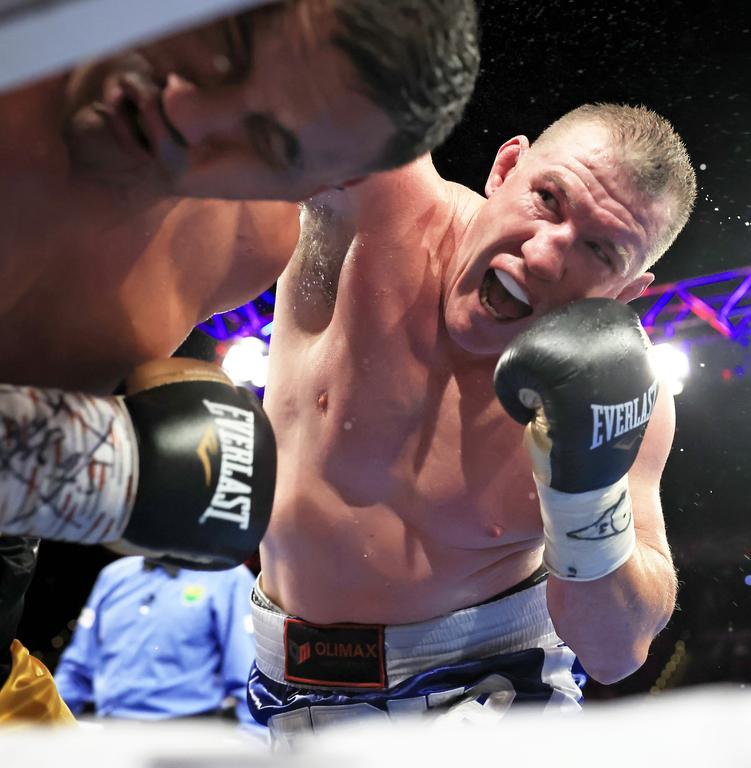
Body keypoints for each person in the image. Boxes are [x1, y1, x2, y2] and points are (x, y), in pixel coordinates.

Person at [0, 0, 480, 723]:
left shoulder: (245, 243)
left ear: (300, 187)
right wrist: (90, 465)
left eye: (266, 140)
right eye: (228, 43)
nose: (185, 109)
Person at [250, 102, 697, 739]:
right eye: (548, 199)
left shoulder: (628, 397)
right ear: (506, 166)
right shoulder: (381, 204)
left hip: (490, 694)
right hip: (287, 692)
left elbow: (616, 651)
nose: (545, 258)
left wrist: (587, 496)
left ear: (626, 292)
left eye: (599, 250)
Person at [53, 556, 258, 724]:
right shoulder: (113, 576)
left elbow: (249, 681)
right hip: (111, 732)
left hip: (190, 735)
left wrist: (250, 749)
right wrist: (44, 729)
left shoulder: (229, 578)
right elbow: (76, 670)